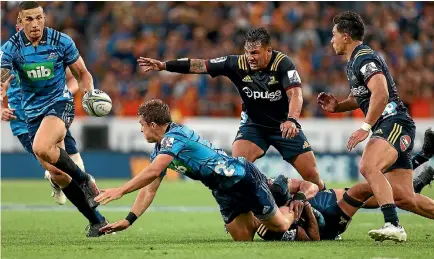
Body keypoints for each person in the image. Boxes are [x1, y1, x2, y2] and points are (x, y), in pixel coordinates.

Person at [137, 27, 326, 191]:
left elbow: (296, 94)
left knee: (312, 176)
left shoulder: (283, 64)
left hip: (284, 126)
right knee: (237, 173)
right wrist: (164, 65)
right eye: (247, 52)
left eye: (255, 53)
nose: (250, 57)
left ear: (269, 50)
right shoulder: (235, 63)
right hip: (254, 127)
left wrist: (292, 120)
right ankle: (260, 212)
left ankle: (329, 213)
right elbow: (199, 65)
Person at [94, 99, 306, 242]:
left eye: (142, 124)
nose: (140, 129)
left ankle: (290, 201)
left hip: (242, 178)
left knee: (280, 226)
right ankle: (259, 214)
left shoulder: (175, 137)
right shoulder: (160, 149)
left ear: (152, 124)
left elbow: (152, 171)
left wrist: (120, 191)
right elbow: (149, 189)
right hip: (222, 191)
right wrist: (129, 220)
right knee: (243, 240)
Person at [317, 11, 434, 242]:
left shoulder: (364, 57)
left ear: (346, 36)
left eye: (334, 35)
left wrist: (365, 126)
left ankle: (393, 224)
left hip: (394, 122)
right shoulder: (353, 63)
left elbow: (381, 92)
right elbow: (362, 96)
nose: (332, 40)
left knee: (369, 166)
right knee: (404, 197)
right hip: (394, 125)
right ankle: (422, 159)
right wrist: (338, 106)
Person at [0, 1, 106, 237]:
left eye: (38, 18)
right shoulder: (11, 48)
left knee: (42, 146)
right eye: (29, 19)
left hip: (60, 103)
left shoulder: (62, 41)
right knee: (57, 173)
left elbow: (82, 73)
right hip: (31, 114)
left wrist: (88, 93)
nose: (35, 24)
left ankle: (85, 179)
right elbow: (2, 79)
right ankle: (98, 222)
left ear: (45, 17)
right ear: (20, 21)